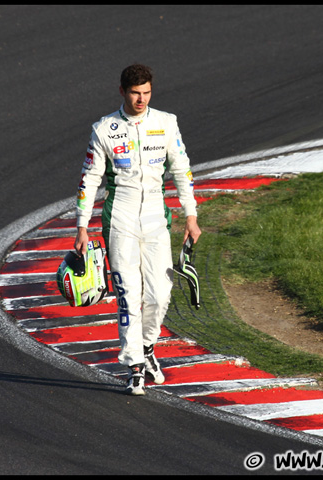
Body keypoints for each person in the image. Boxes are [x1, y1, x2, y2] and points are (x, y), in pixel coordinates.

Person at [74, 64, 201, 395]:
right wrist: (82, 225)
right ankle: (134, 367)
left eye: (146, 92)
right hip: (120, 221)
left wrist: (191, 216)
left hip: (157, 220)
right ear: (122, 91)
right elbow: (90, 177)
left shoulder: (166, 123)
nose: (141, 99)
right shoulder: (104, 129)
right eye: (134, 93)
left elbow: (182, 168)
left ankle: (147, 348)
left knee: (159, 294)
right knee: (128, 296)